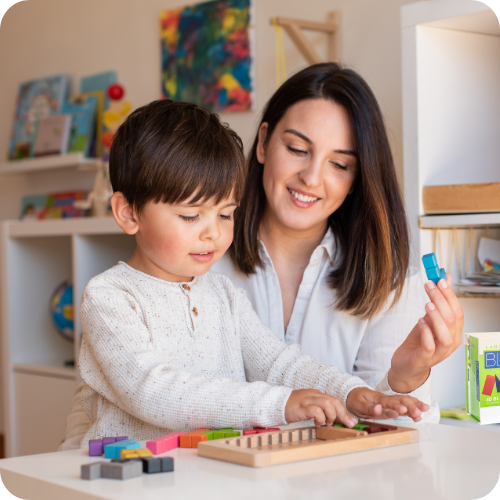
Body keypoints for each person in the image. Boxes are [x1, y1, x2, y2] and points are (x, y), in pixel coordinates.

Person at [73, 98, 428, 447]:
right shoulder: (110, 297)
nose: (213, 233)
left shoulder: (222, 293)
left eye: (225, 214)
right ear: (128, 214)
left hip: (211, 475)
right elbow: (152, 391)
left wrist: (351, 394)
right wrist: (278, 404)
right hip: (127, 480)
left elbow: (279, 363)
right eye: (190, 216)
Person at [211, 63, 464, 423]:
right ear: (264, 142)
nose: (311, 178)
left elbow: (399, 450)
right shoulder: (200, 255)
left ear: (357, 178)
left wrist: (406, 378)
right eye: (298, 148)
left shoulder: (387, 280)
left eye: (340, 165)